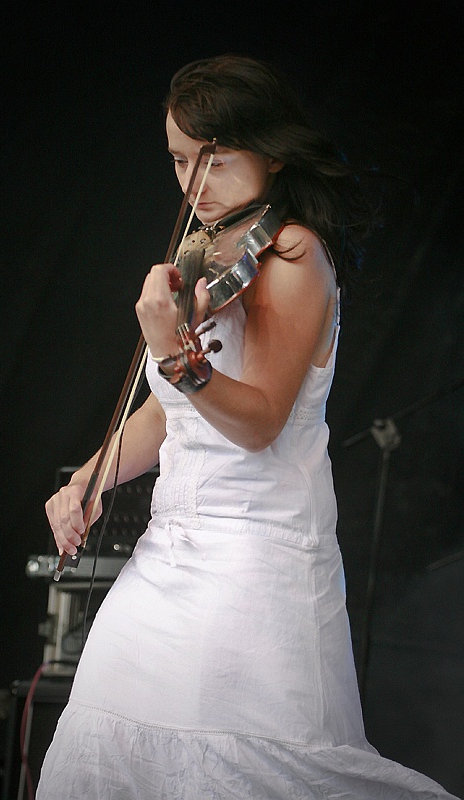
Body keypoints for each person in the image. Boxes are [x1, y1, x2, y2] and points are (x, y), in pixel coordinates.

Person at [37, 55, 457, 799]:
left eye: (215, 161)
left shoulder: (293, 255)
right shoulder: (207, 253)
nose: (193, 185)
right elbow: (168, 415)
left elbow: (258, 421)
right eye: (178, 161)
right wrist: (88, 479)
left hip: (254, 564)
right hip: (166, 557)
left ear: (270, 151)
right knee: (101, 744)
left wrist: (173, 351)